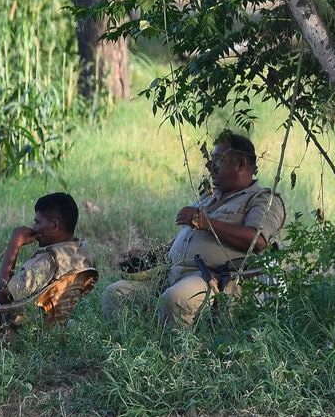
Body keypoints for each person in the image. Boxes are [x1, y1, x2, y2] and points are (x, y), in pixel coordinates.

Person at [101, 132, 286, 328]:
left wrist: (204, 221)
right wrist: (148, 257)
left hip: (214, 280)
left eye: (218, 160)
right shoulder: (209, 198)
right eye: (210, 159)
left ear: (241, 164)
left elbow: (257, 241)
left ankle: (177, 356)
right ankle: (129, 350)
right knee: (116, 293)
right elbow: (185, 242)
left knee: (173, 299)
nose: (210, 166)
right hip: (172, 276)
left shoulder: (263, 200)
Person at [0, 193, 95, 324]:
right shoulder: (83, 251)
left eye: (38, 222)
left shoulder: (47, 262)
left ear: (54, 224)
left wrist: (14, 244)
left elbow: (2, 297)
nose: (34, 228)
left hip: (7, 329)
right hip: (48, 323)